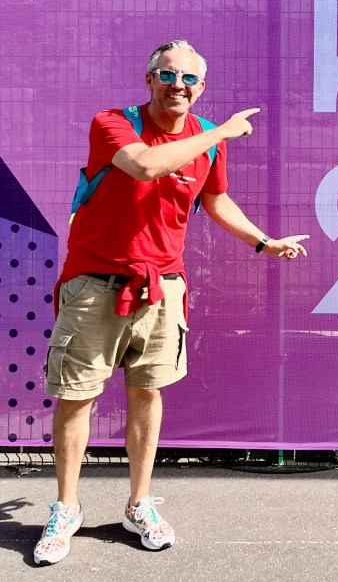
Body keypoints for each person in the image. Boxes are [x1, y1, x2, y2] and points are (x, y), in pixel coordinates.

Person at [34, 40, 309, 565]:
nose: (177, 85)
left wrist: (263, 242)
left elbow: (216, 200)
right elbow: (144, 166)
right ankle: (66, 509)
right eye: (167, 75)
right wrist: (221, 131)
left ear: (200, 88)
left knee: (147, 394)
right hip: (94, 285)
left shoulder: (207, 143)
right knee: (76, 397)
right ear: (149, 80)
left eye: (188, 78)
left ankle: (138, 505)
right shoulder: (114, 123)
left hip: (164, 288)